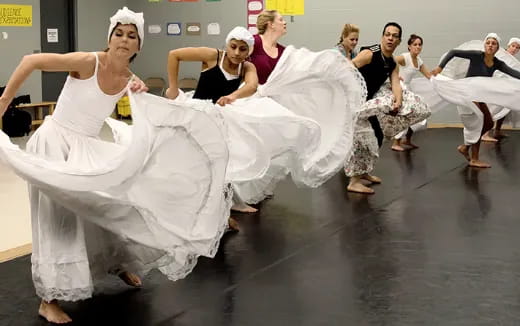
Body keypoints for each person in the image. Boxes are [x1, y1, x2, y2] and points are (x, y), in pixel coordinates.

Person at [0, 7, 233, 324]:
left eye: (131, 35)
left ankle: (115, 262)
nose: (124, 39)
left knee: (112, 201)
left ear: (138, 46)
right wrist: (4, 101)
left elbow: (153, 114)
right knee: (59, 218)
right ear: (109, 39)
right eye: (119, 34)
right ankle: (48, 298)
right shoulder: (89, 62)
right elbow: (32, 61)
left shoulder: (130, 79)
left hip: (86, 146)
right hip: (55, 143)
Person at [166, 26, 260, 215]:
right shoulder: (212, 56)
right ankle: (186, 198)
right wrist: (173, 88)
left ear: (248, 51)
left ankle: (232, 200)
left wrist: (233, 96)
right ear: (228, 44)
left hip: (218, 118)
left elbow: (252, 85)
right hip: (196, 114)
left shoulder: (247, 67)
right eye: (233, 47)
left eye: (243, 49)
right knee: (191, 158)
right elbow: (174, 55)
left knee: (221, 159)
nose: (236, 53)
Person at [344, 22, 430, 194]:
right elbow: (348, 68)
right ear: (382, 37)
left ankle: (363, 172)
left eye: (394, 36)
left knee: (378, 135)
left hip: (369, 103)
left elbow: (396, 82)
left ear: (399, 41)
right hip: (355, 102)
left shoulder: (391, 62)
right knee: (362, 138)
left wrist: (398, 102)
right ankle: (354, 181)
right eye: (387, 34)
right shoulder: (370, 53)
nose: (390, 38)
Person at [431, 33, 520, 168]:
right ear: (485, 45)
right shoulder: (477, 55)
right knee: (480, 122)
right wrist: (440, 67)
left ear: (497, 48)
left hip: (478, 96)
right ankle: (474, 158)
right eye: (488, 42)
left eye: (493, 43)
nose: (490, 45)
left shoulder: (497, 63)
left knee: (489, 123)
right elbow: (453, 52)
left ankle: (466, 147)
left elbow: (514, 73)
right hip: (467, 93)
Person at [391, 34, 432, 151]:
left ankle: (407, 139)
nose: (418, 47)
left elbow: (429, 75)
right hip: (400, 88)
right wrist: (395, 76)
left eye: (420, 45)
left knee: (419, 114)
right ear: (409, 46)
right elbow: (390, 61)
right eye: (415, 44)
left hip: (409, 89)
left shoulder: (418, 61)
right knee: (404, 115)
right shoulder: (405, 57)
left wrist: (442, 80)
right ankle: (396, 142)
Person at [481, 37, 520, 142]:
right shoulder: (500, 56)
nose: (515, 49)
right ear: (508, 46)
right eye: (513, 46)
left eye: (517, 47)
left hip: (507, 89)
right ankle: (485, 134)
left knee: (505, 109)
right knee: (493, 109)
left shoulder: (514, 62)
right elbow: (496, 71)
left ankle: (497, 131)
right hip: (496, 87)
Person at [249, 10, 287, 84]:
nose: (285, 22)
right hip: (252, 93)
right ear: (271, 24)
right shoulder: (252, 42)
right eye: (281, 20)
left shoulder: (283, 51)